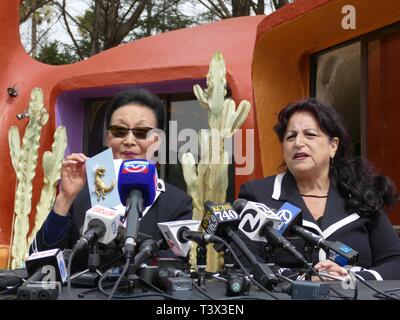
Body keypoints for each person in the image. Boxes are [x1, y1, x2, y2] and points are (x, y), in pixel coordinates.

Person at [30, 87, 193, 272]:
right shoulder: (80, 195)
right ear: (108, 138)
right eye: (119, 130)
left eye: (141, 132)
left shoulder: (177, 203)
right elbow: (40, 266)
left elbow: (176, 271)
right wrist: (65, 199)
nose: (129, 140)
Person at [238, 98, 400, 280]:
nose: (298, 142)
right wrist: (304, 280)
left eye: (310, 134)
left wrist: (350, 279)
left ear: (333, 146)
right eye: (291, 136)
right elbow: (244, 261)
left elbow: (395, 261)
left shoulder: (361, 194)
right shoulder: (258, 195)